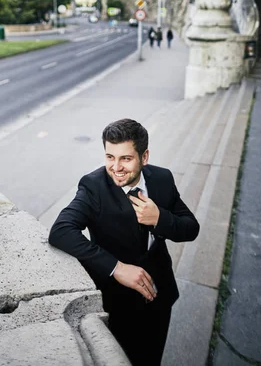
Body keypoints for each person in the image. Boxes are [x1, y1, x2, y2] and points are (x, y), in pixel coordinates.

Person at [49, 118, 199, 366]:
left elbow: (191, 228)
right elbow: (61, 230)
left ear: (144, 156)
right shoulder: (93, 187)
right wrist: (116, 267)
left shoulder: (162, 178)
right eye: (110, 157)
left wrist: (160, 218)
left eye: (125, 159)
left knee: (151, 358)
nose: (116, 167)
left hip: (160, 292)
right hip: (116, 303)